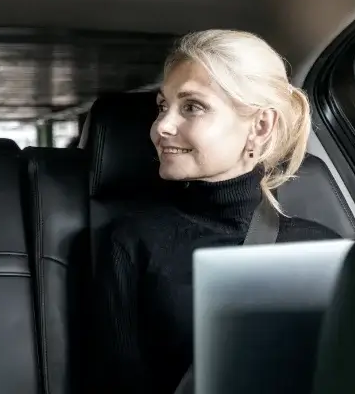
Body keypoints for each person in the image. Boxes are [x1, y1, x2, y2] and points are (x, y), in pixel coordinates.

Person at [92, 29, 341, 393]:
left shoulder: (323, 247)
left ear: (260, 126)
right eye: (162, 106)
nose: (161, 126)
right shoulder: (131, 242)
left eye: (192, 106)